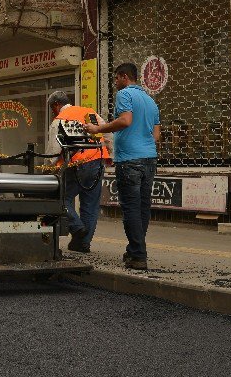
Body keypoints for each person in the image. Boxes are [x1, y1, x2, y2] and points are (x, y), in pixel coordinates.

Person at [85, 63, 160, 270]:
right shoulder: (151, 101)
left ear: (124, 77)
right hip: (149, 160)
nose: (115, 82)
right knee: (143, 208)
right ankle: (135, 250)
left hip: (129, 161)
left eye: (116, 78)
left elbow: (125, 121)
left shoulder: (125, 95)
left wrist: (97, 128)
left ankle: (138, 255)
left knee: (131, 209)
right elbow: (156, 136)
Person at [48, 91, 110, 253]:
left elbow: (54, 152)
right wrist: (111, 155)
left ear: (56, 105)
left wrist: (48, 168)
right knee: (90, 205)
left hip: (76, 165)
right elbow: (107, 133)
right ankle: (82, 244)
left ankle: (76, 227)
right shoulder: (90, 113)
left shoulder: (59, 120)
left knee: (60, 198)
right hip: (97, 161)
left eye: (52, 108)